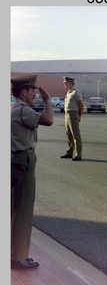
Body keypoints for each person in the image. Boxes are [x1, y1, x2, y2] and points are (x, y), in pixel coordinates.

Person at [11, 74, 54, 269]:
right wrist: (47, 101)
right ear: (23, 92)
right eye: (32, 91)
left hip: (16, 160)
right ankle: (18, 257)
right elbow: (48, 119)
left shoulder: (15, 109)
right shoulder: (22, 110)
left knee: (14, 209)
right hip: (22, 161)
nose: (34, 95)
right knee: (23, 211)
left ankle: (15, 253)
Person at [61, 77, 84, 161]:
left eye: (66, 83)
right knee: (69, 134)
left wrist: (79, 116)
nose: (65, 84)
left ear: (70, 83)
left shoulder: (75, 93)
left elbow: (81, 105)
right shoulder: (68, 93)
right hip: (67, 114)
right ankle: (69, 153)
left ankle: (78, 154)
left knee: (76, 135)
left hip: (74, 114)